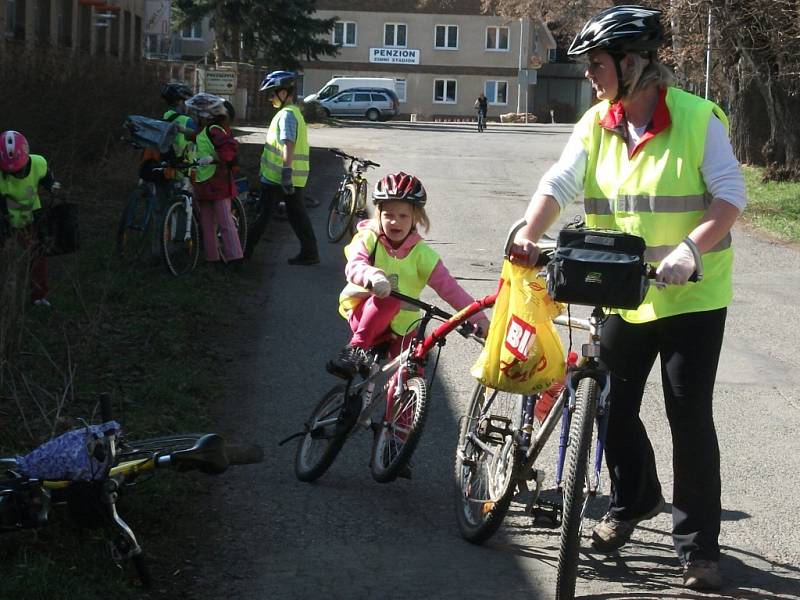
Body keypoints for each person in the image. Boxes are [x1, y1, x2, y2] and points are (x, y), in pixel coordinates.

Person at [508, 5, 746, 591]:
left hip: (691, 296)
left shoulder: (696, 118)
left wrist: (690, 248)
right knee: (609, 404)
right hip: (626, 292)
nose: (591, 74)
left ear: (633, 63)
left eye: (598, 64)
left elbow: (730, 195)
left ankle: (698, 549)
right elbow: (559, 182)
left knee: (688, 418)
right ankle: (635, 499)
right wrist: (530, 232)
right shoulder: (596, 123)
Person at [327, 171, 490, 382]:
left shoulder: (422, 254)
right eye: (389, 215)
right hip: (366, 316)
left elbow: (450, 289)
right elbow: (354, 265)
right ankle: (355, 350)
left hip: (405, 325)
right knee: (391, 297)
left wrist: (479, 318)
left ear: (416, 218)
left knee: (413, 371)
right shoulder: (368, 239)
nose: (396, 222)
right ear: (378, 215)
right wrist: (374, 276)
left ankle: (403, 412)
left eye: (403, 216)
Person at [245, 70, 319, 265]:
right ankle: (310, 253)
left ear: (285, 93)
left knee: (263, 214)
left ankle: (243, 253)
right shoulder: (290, 113)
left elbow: (288, 143)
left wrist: (286, 172)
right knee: (296, 215)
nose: (270, 98)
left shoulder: (286, 115)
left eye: (272, 93)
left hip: (279, 177)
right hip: (287, 177)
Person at [0, 130, 60, 307]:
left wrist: (53, 187)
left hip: (32, 216)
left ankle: (39, 297)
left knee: (38, 255)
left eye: (18, 169)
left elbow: (49, 179)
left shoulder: (39, 163)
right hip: (5, 217)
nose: (14, 174)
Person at [184, 92, 243, 266]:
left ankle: (235, 258)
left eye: (196, 113)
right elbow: (198, 138)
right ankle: (212, 258)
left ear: (205, 115)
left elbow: (230, 147)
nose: (194, 116)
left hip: (217, 182)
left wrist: (214, 159)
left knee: (224, 221)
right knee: (207, 223)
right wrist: (181, 130)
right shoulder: (205, 130)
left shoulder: (214, 129)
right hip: (205, 183)